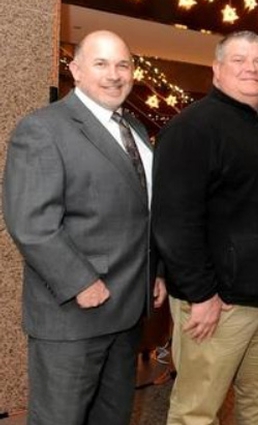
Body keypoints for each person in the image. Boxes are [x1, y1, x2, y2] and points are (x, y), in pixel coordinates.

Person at [3, 29, 166, 425]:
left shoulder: (135, 129)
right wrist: (80, 282)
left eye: (123, 64)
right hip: (74, 315)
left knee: (111, 417)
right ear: (75, 71)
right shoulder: (44, 128)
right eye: (101, 63)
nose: (114, 74)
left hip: (127, 308)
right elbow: (32, 222)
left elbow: (143, 211)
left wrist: (156, 272)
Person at [152, 30, 258, 425]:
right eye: (239, 60)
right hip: (218, 305)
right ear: (216, 69)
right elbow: (175, 221)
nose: (251, 69)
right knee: (197, 411)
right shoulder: (192, 128)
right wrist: (201, 293)